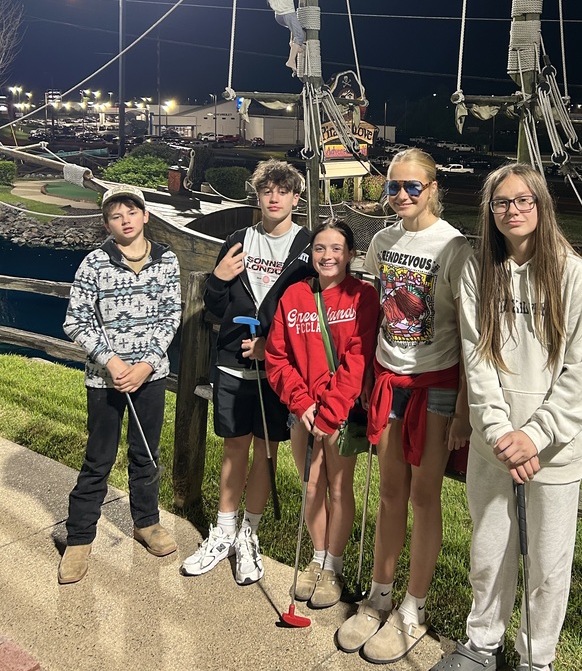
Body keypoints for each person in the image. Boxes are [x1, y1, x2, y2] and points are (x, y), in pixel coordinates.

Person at [430, 163, 582, 671]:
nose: (513, 210)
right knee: (489, 551)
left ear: (541, 205)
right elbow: (476, 360)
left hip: (555, 449)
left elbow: (581, 372)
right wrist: (501, 432)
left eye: (524, 200)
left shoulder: (574, 275)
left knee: (548, 563)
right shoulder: (477, 271)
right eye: (502, 202)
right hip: (495, 445)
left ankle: (536, 657)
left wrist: (536, 435)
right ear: (490, 211)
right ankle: (481, 644)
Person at [336, 148, 473, 663]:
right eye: (393, 186)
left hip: (435, 385)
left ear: (432, 188)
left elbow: (470, 331)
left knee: (423, 496)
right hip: (389, 380)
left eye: (412, 186)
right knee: (390, 492)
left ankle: (413, 607)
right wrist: (367, 375)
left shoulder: (454, 247)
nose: (400, 195)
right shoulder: (382, 241)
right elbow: (376, 310)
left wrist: (463, 408)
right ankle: (379, 594)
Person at [181, 159, 313, 584]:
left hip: (280, 370)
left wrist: (271, 348)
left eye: (283, 191)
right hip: (232, 362)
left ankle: (248, 535)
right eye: (266, 191)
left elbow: (311, 315)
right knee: (234, 447)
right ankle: (223, 531)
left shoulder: (307, 248)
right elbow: (216, 305)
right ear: (256, 196)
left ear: (296, 198)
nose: (274, 198)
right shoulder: (239, 240)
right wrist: (218, 279)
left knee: (267, 450)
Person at [58, 184, 182, 585]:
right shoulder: (95, 263)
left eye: (131, 212)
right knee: (98, 459)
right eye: (115, 215)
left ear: (145, 216)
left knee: (146, 453)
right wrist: (110, 362)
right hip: (104, 379)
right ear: (107, 224)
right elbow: (76, 320)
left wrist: (146, 365)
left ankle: (146, 522)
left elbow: (171, 316)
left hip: (151, 377)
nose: (125, 220)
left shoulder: (167, 260)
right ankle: (80, 538)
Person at [265, 219, 379, 607]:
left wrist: (330, 411)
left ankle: (334, 565)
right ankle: (317, 558)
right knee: (312, 486)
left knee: (338, 487)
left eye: (336, 249)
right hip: (304, 411)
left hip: (340, 412)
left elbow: (358, 358)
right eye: (319, 248)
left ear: (350, 255)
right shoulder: (294, 295)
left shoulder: (363, 296)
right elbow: (277, 357)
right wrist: (302, 403)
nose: (327, 256)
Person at [265, 0, 308, 74]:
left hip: (278, 17)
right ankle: (291, 60)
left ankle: (293, 44)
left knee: (294, 28)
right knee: (300, 35)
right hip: (288, 14)